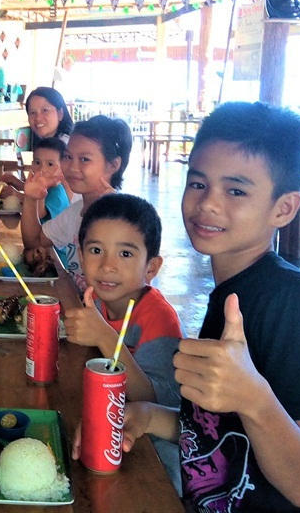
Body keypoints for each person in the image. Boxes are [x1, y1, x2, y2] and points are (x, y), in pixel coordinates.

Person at [80, 103, 300, 511]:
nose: (208, 203)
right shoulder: (229, 297)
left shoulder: (294, 306)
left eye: (236, 190)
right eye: (197, 184)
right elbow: (219, 434)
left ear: (283, 208)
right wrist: (146, 415)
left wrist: (253, 397)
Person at [63, 193, 183, 492]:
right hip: (104, 435)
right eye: (95, 250)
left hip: (154, 466)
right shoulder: (104, 299)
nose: (107, 266)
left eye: (126, 254)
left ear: (151, 267)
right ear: (80, 254)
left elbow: (156, 401)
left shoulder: (158, 319)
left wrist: (104, 335)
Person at [22, 115, 132, 294]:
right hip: (77, 307)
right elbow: (34, 241)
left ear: (113, 165)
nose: (72, 167)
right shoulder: (77, 211)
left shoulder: (121, 218)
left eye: (84, 159)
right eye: (68, 156)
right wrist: (30, 198)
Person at [0, 86, 74, 192]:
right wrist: (17, 183)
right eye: (32, 113)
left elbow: (57, 202)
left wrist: (16, 195)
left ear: (60, 114)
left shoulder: (65, 147)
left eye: (45, 110)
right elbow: (44, 189)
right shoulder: (49, 144)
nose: (38, 118)